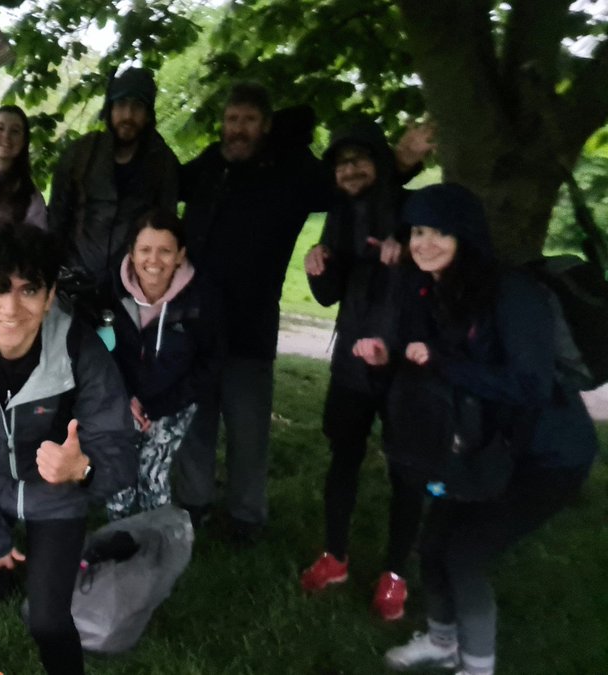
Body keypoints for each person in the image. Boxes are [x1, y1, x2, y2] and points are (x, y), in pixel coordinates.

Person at [348, 184, 598, 675]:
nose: (425, 243)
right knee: (434, 545)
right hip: (481, 445)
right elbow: (433, 373)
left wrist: (442, 363)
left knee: (464, 554)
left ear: (466, 236)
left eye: (440, 232)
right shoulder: (432, 290)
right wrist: (387, 360)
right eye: (418, 231)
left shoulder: (512, 293)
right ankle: (443, 643)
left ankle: (478, 667)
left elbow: (530, 386)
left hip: (547, 455)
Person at [174, 82, 433, 541]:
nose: (238, 129)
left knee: (248, 426)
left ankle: (246, 517)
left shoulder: (291, 170)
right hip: (194, 320)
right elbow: (170, 183)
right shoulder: (212, 163)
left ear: (266, 126)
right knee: (195, 419)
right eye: (232, 119)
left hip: (249, 324)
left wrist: (400, 163)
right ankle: (192, 505)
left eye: (249, 120)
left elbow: (350, 184)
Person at [0, 222, 136, 675]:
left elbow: (118, 449)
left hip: (57, 495)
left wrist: (83, 469)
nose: (11, 308)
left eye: (29, 290)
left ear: (50, 295)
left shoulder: (81, 348)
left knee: (48, 622)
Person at [298, 120, 425, 621]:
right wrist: (319, 265)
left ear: (381, 162)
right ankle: (335, 556)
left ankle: (395, 574)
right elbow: (330, 294)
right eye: (341, 163)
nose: (349, 170)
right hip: (353, 360)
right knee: (343, 457)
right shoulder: (341, 216)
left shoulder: (414, 209)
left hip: (406, 365)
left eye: (359, 159)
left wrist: (408, 255)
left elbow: (443, 271)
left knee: (408, 470)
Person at [105, 209, 220, 519]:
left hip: (175, 400)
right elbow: (103, 350)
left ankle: (157, 538)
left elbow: (210, 364)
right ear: (132, 253)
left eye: (165, 251)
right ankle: (119, 535)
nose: (154, 260)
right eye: (145, 250)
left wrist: (159, 407)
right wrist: (125, 396)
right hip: (123, 396)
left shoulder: (201, 299)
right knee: (120, 468)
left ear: (180, 255)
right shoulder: (111, 291)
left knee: (151, 472)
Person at [48, 66, 180, 298]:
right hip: (73, 274)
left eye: (137, 106)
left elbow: (165, 228)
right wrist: (53, 271)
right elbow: (57, 217)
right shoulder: (80, 153)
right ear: (109, 109)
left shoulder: (162, 163)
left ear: (148, 114)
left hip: (132, 283)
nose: (128, 115)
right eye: (121, 105)